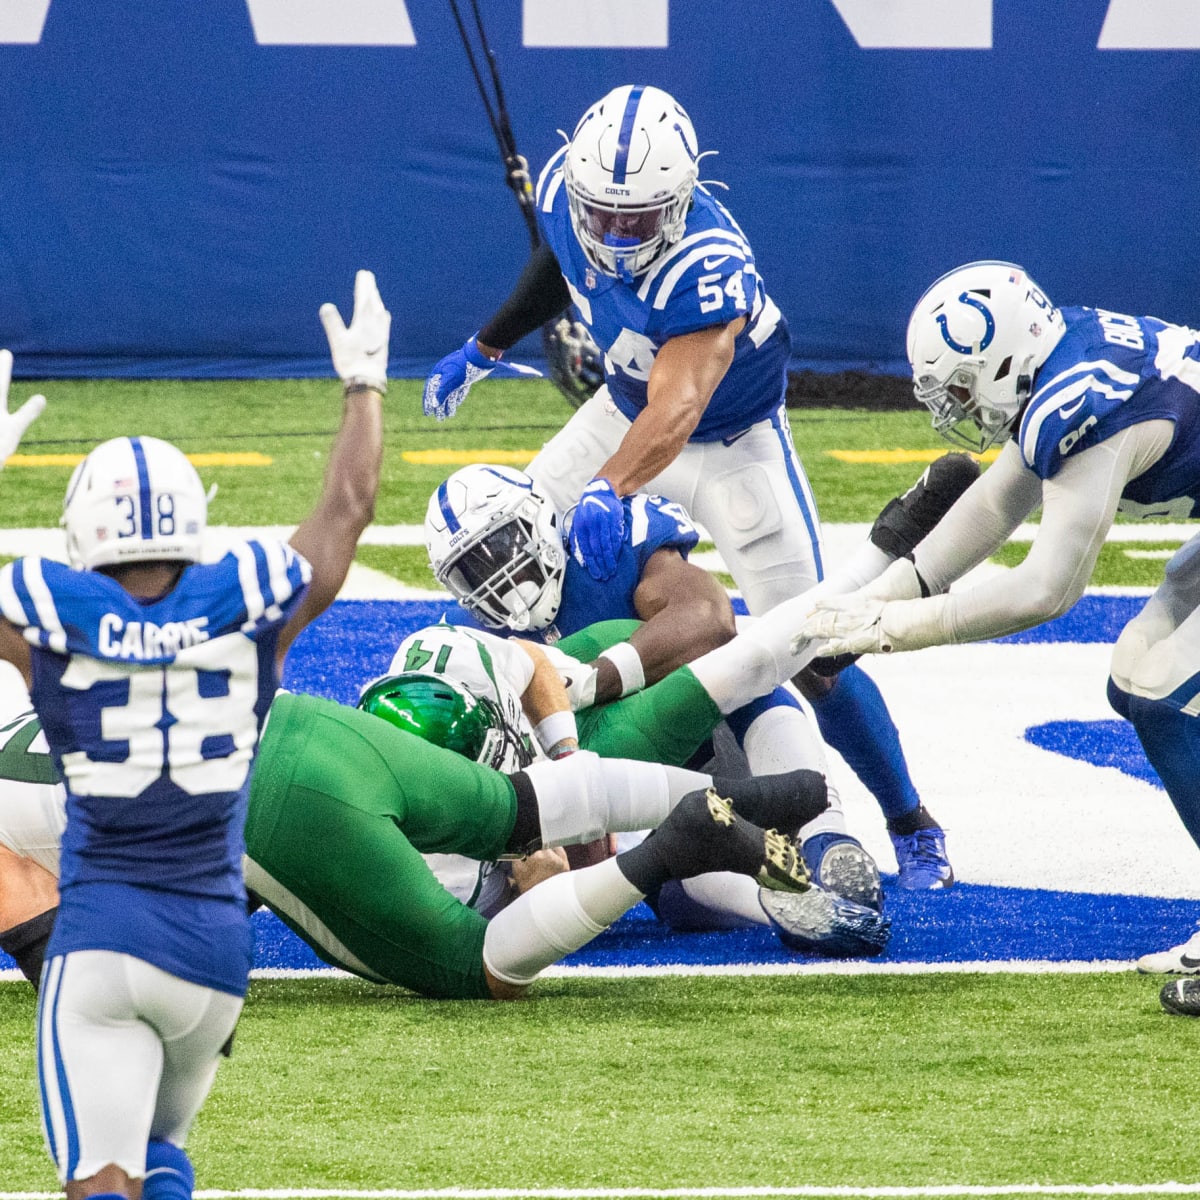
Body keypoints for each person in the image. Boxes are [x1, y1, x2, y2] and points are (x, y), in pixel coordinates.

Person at [422, 83, 955, 889]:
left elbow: (679, 408)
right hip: (621, 409)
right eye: (602, 213)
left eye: (635, 220)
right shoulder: (577, 191)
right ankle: (504, 802)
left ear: (680, 201)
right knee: (503, 562)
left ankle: (912, 822)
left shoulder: (709, 263)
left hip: (729, 443)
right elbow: (563, 262)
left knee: (814, 649)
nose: (613, 231)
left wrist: (608, 489)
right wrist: (486, 345)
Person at [0, 268, 390, 1200]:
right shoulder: (247, 601)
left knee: (99, 1178)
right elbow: (347, 515)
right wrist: (366, 386)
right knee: (160, 1157)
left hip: (100, 940)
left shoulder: (52, 609)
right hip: (214, 956)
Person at [795, 259, 1200, 1017]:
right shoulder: (1059, 362)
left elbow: (1047, 590)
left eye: (958, 386)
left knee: (1158, 690)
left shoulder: (1079, 403)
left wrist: (890, 629)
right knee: (1143, 681)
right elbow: (987, 511)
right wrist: (866, 606)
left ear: (1004, 359)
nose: (952, 407)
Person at [365, 618, 890, 959]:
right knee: (659, 870)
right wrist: (533, 895)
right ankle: (776, 890)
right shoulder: (436, 879)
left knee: (733, 661)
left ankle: (825, 837)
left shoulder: (441, 656)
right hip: (544, 831)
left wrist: (568, 746)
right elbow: (490, 961)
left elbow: (529, 661)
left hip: (575, 723)